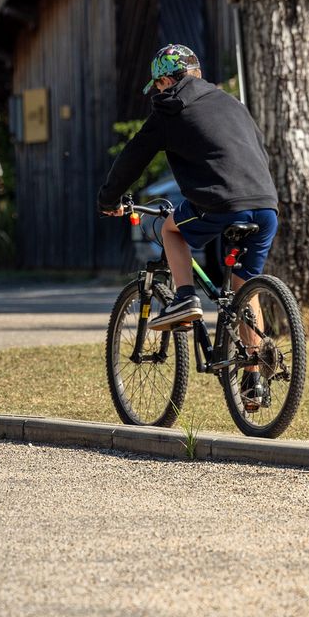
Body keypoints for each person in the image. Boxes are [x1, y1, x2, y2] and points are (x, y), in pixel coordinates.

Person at [97, 44, 279, 410]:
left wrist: (109, 200)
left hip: (219, 202)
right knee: (246, 290)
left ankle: (184, 298)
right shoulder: (232, 103)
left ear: (166, 80)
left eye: (158, 86)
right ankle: (254, 381)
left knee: (170, 229)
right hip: (265, 205)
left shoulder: (169, 107)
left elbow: (134, 156)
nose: (158, 93)